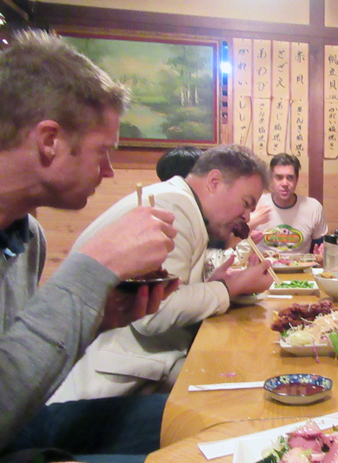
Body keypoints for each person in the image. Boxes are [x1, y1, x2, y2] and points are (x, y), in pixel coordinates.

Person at [0, 30, 186, 463]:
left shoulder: (27, 235)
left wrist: (97, 319)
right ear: (49, 140)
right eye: (104, 151)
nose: (108, 171)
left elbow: (20, 371)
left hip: (23, 424)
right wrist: (91, 268)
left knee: (199, 419)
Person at [49, 144, 274, 402]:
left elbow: (172, 290)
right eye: (246, 204)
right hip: (107, 383)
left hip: (139, 365)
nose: (247, 216)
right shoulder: (174, 206)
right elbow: (153, 314)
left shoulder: (183, 203)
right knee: (241, 393)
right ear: (214, 181)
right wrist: (229, 288)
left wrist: (218, 283)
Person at [250, 153, 327, 256]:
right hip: (263, 264)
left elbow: (320, 248)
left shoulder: (313, 207)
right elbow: (236, 242)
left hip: (301, 265)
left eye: (290, 177)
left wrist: (321, 254)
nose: (285, 183)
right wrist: (248, 234)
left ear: (297, 180)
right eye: (279, 177)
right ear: (271, 179)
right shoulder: (256, 204)